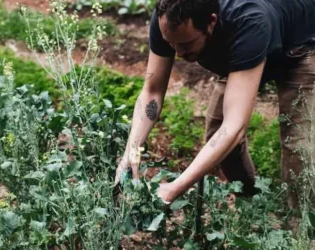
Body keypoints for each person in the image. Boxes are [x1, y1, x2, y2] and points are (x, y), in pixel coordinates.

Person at [115, 0, 315, 207]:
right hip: (243, 50)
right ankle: (251, 203)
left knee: (299, 149)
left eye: (186, 44)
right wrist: (131, 153)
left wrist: (174, 188)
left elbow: (235, 126)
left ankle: (301, 226)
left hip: (299, 48)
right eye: (170, 44)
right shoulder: (168, 19)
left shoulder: (248, 20)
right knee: (217, 133)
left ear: (212, 22)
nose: (178, 54)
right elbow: (152, 91)